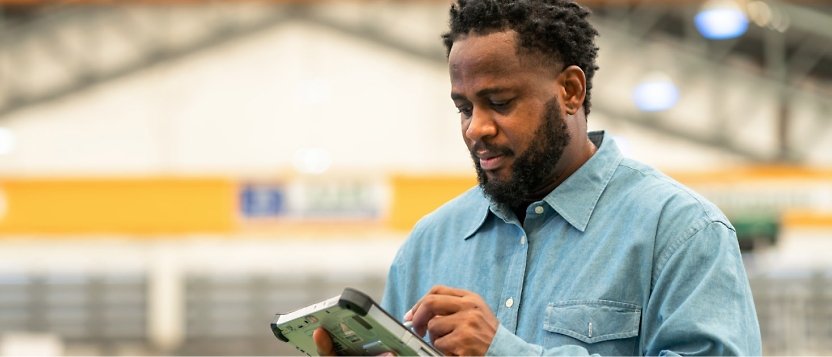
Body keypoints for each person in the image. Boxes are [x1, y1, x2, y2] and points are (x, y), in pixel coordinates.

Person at [314, 0, 762, 355]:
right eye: (464, 108)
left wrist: (503, 352)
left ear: (570, 91)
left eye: (501, 102)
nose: (476, 129)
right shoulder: (428, 246)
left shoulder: (681, 232)